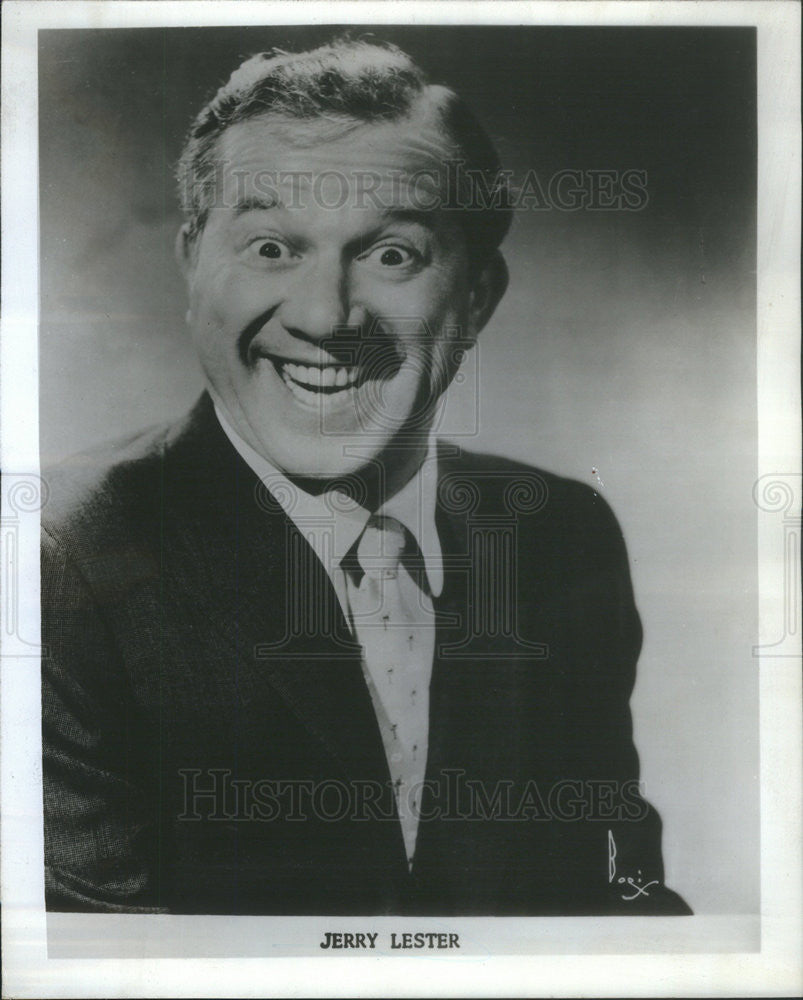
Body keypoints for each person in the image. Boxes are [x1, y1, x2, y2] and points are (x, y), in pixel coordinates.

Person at [41, 37, 691, 916]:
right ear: (193, 264)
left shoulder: (559, 536)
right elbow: (95, 961)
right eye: (271, 246)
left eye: (391, 255)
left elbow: (615, 897)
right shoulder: (57, 559)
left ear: (478, 297)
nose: (323, 316)